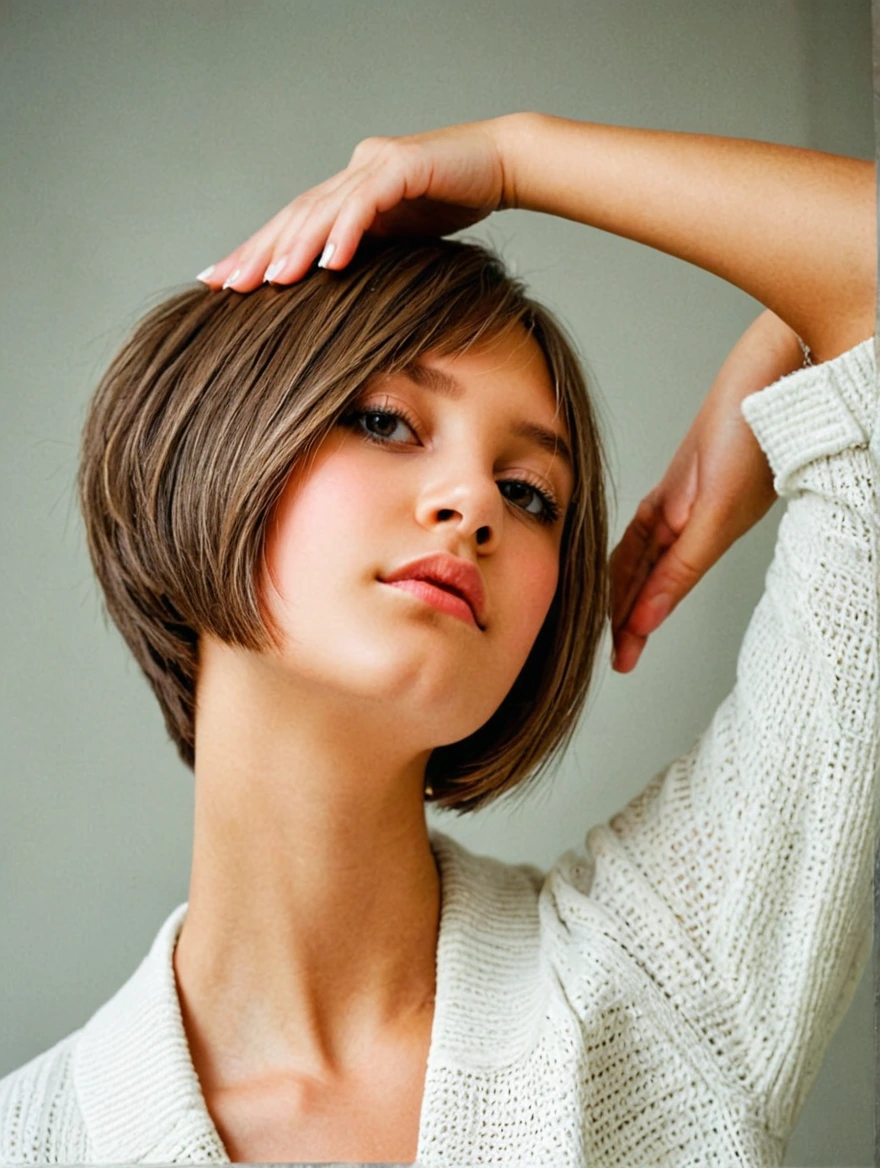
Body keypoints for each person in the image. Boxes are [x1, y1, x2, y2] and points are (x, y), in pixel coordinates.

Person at [0, 112, 876, 1166]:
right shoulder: (35, 1138)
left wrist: (514, 158)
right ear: (211, 443)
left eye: (529, 491)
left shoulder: (666, 985)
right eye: (383, 421)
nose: (474, 506)